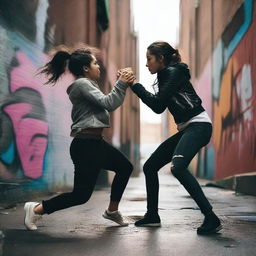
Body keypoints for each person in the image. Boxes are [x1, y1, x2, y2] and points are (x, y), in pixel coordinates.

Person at [24, 47, 135, 230]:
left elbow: (109, 103)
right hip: (85, 145)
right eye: (95, 63)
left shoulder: (89, 84)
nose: (98, 66)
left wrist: (121, 82)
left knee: (124, 167)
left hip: (95, 143)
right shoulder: (82, 84)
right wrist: (121, 83)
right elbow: (109, 103)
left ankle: (112, 211)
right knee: (81, 196)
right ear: (85, 68)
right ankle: (36, 209)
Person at [130, 41, 222, 235]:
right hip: (188, 128)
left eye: (149, 59)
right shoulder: (165, 75)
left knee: (178, 167)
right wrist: (136, 86)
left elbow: (157, 106)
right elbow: (160, 106)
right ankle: (152, 215)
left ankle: (211, 217)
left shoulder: (172, 73)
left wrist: (135, 85)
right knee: (150, 167)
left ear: (161, 59)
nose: (147, 64)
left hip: (199, 126)